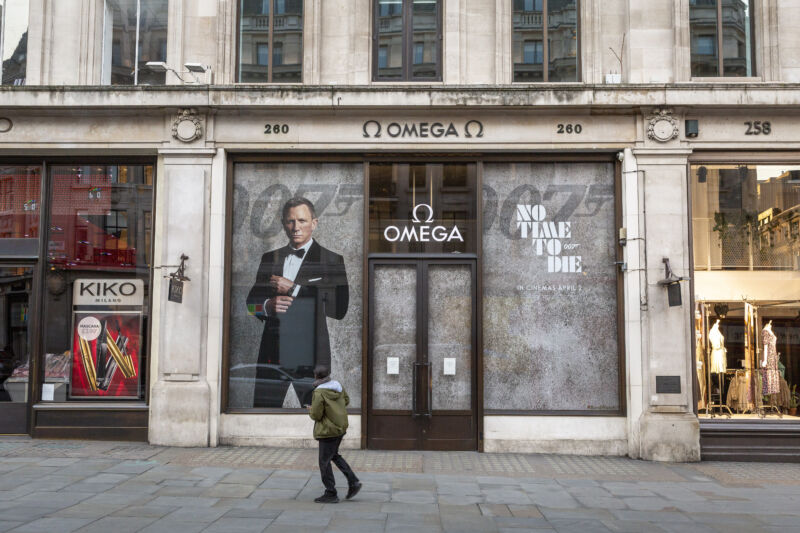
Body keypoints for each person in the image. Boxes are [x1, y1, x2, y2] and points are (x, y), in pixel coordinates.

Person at [246, 197, 349, 407]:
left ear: (314, 223)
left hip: (309, 358)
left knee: (316, 421)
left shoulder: (331, 260)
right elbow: (250, 306)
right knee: (264, 415)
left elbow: (339, 309)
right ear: (283, 224)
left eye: (302, 221)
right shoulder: (270, 258)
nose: (296, 227)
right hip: (272, 358)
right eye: (290, 221)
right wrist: (267, 307)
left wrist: (295, 288)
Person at [307, 365, 361, 503]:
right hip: (340, 427)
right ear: (327, 375)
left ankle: (331, 493)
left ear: (316, 376)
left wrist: (311, 409)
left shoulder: (319, 393)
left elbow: (316, 415)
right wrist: (335, 409)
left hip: (328, 430)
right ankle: (353, 482)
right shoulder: (338, 385)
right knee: (334, 455)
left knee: (324, 462)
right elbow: (346, 400)